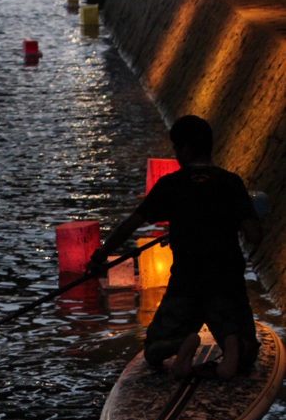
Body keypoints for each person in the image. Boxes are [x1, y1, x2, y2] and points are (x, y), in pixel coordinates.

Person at [88, 116, 262, 381]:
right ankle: (233, 346)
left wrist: (101, 255)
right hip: (226, 285)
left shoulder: (169, 185)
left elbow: (129, 225)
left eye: (176, 149)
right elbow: (254, 235)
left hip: (185, 285)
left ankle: (180, 345)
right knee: (249, 354)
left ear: (186, 149)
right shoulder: (231, 183)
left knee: (152, 351)